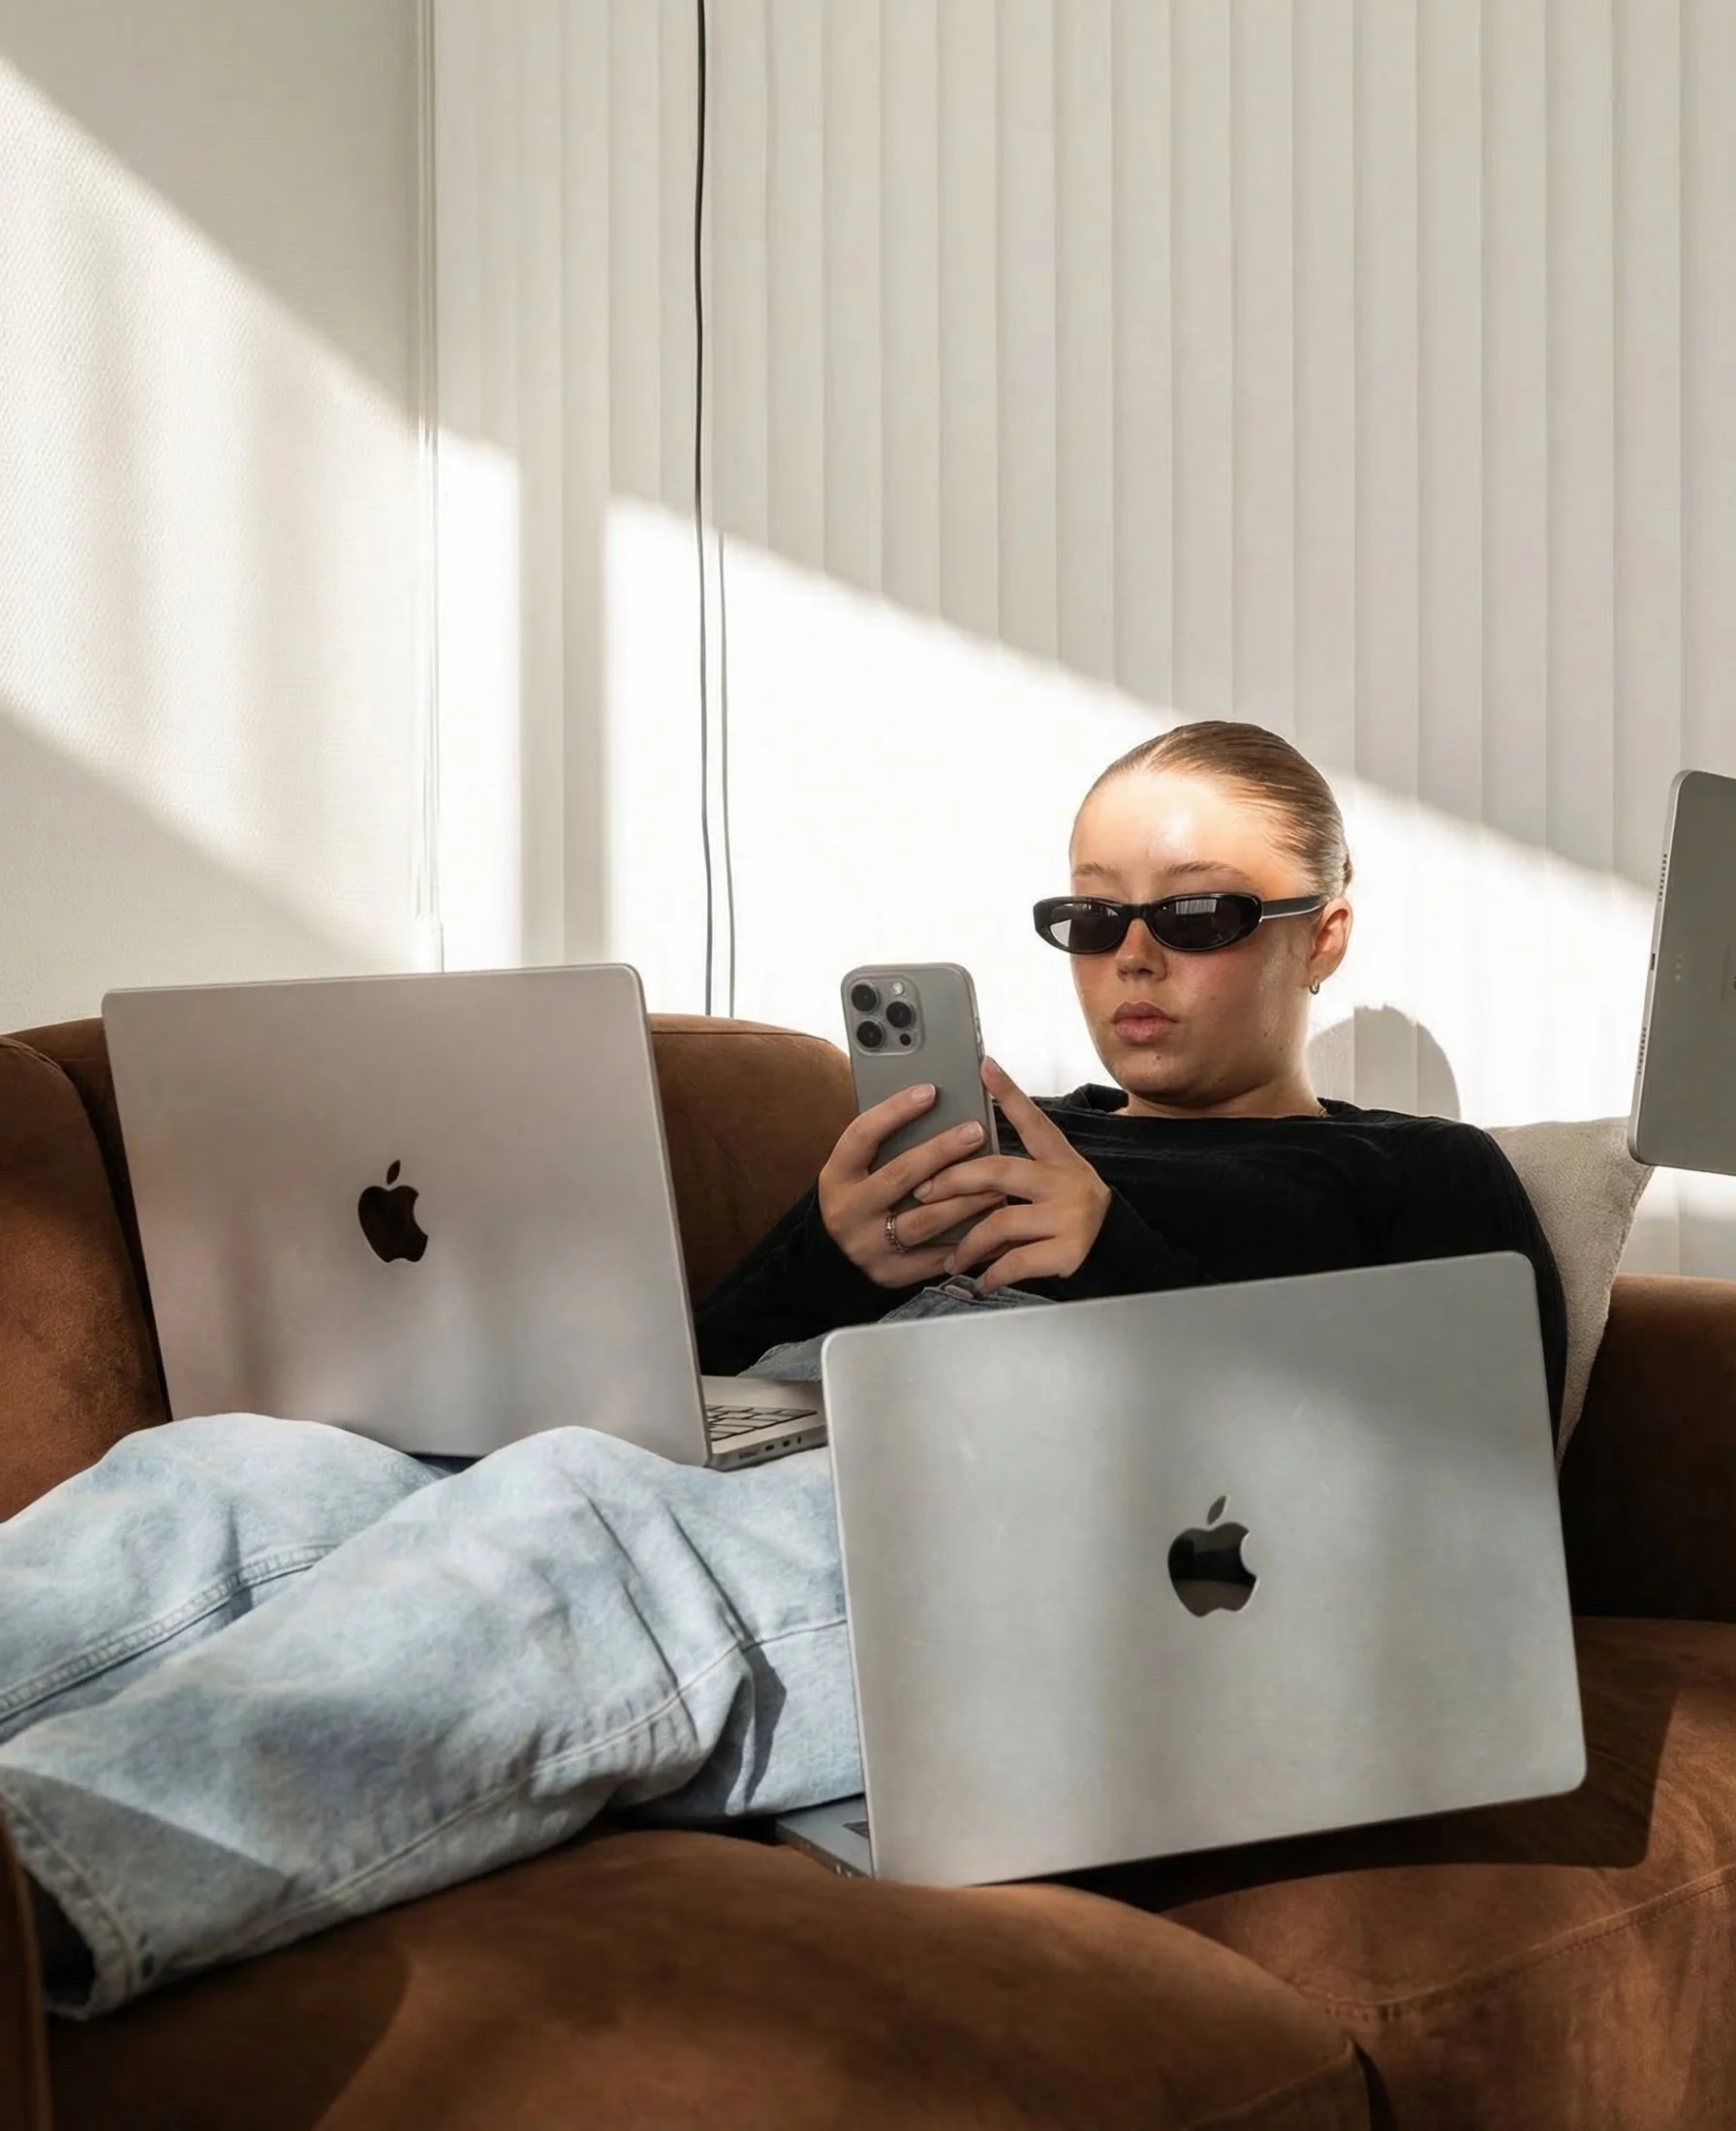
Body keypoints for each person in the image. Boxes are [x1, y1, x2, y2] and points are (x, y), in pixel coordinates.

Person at [0, 722, 1566, 2019]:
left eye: (1200, 914)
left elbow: (1448, 1468)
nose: (1133, 957)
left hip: (1062, 1517)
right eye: (1090, 917)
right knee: (225, 1471)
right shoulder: (1003, 1126)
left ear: (1325, 935)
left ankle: (44, 1875)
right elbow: (691, 1376)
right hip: (794, 1441)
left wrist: (1108, 1263)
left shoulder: (1419, 1172)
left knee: (578, 1521)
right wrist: (834, 1249)